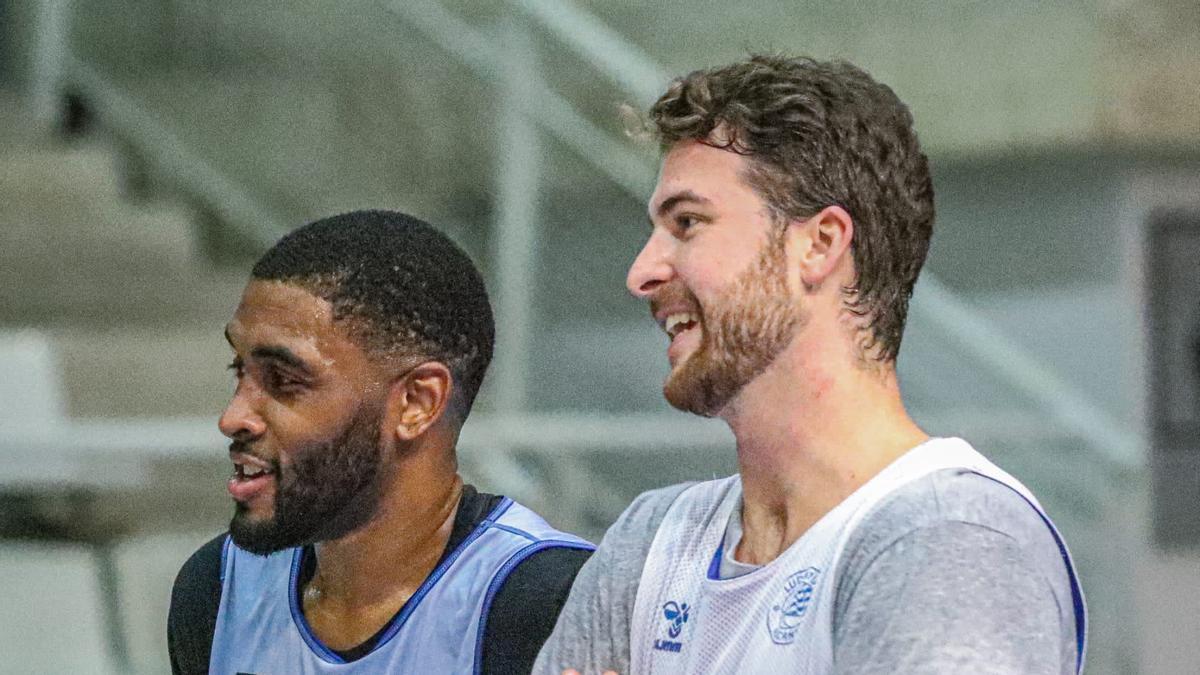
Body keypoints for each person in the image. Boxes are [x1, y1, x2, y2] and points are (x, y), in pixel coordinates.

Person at [535, 55, 1085, 674]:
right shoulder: (651, 541)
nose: (642, 272)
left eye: (687, 223)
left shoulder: (949, 537)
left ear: (819, 245)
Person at [168, 210, 593, 674]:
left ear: (416, 402)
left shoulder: (549, 603)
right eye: (239, 370)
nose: (233, 417)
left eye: (284, 380)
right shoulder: (216, 589)